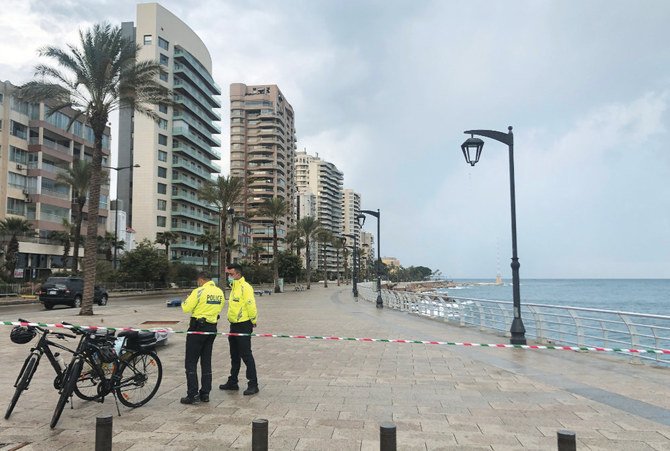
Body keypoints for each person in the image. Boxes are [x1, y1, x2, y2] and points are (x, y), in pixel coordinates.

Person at [180, 271, 224, 404]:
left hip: (197, 329)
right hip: (212, 328)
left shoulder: (198, 291)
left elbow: (186, 308)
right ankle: (205, 393)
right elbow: (220, 308)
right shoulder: (219, 292)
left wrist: (186, 300)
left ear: (200, 280)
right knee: (206, 362)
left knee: (191, 362)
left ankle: (192, 394)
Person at [219, 263, 259, 395]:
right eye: (228, 274)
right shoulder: (234, 286)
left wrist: (253, 320)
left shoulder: (245, 287)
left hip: (244, 324)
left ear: (237, 274)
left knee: (246, 355)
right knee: (234, 355)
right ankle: (233, 382)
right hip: (234, 325)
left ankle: (253, 384)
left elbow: (250, 304)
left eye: (230, 274)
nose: (229, 276)